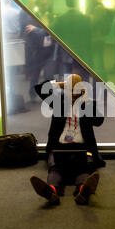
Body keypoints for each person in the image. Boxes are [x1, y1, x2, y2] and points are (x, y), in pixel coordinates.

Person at [30, 74, 105, 205]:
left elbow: (98, 121)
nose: (74, 94)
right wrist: (61, 84)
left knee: (84, 168)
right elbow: (39, 88)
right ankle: (51, 191)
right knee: (55, 168)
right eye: (71, 90)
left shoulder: (87, 104)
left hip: (83, 148)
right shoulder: (58, 102)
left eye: (77, 90)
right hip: (59, 147)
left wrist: (87, 102)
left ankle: (83, 190)